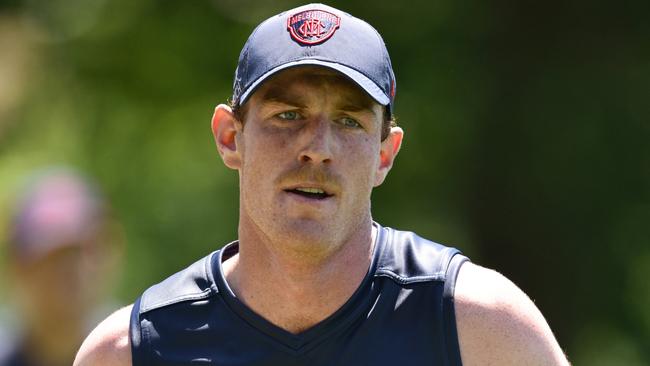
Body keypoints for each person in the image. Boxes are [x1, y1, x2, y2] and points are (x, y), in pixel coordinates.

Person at [75, 3, 569, 365]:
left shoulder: (480, 329)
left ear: (384, 153)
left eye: (350, 122)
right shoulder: (130, 352)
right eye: (288, 115)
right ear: (230, 138)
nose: (318, 147)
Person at [1, 168, 121, 366]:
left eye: (76, 253)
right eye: (50, 257)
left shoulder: (139, 351)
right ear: (17, 268)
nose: (66, 271)